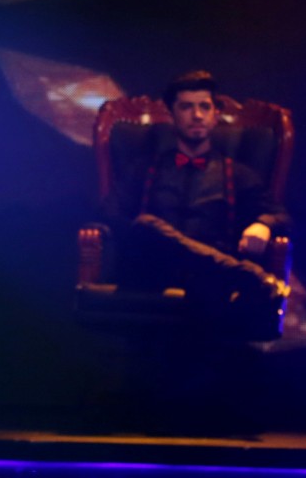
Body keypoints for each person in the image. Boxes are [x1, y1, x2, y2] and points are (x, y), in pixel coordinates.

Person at [107, 70, 289, 334]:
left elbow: (282, 216)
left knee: (207, 285)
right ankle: (244, 274)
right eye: (186, 107)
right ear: (172, 114)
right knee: (146, 225)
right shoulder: (143, 169)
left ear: (216, 114)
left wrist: (263, 224)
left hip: (209, 277)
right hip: (153, 269)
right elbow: (110, 212)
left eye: (205, 107)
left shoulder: (238, 174)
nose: (197, 115)